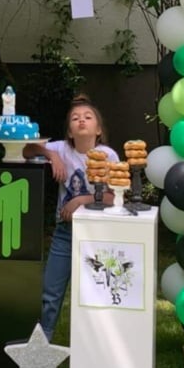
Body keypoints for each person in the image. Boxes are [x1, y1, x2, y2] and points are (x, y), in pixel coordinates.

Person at [23, 95, 119, 341]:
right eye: (75, 118)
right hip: (65, 233)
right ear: (69, 131)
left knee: (95, 292)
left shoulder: (107, 156)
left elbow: (115, 197)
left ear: (98, 129)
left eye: (88, 117)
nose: (81, 121)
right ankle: (41, 345)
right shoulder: (61, 149)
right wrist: (50, 155)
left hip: (97, 234)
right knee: (50, 291)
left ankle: (95, 343)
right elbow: (27, 149)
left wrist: (82, 200)